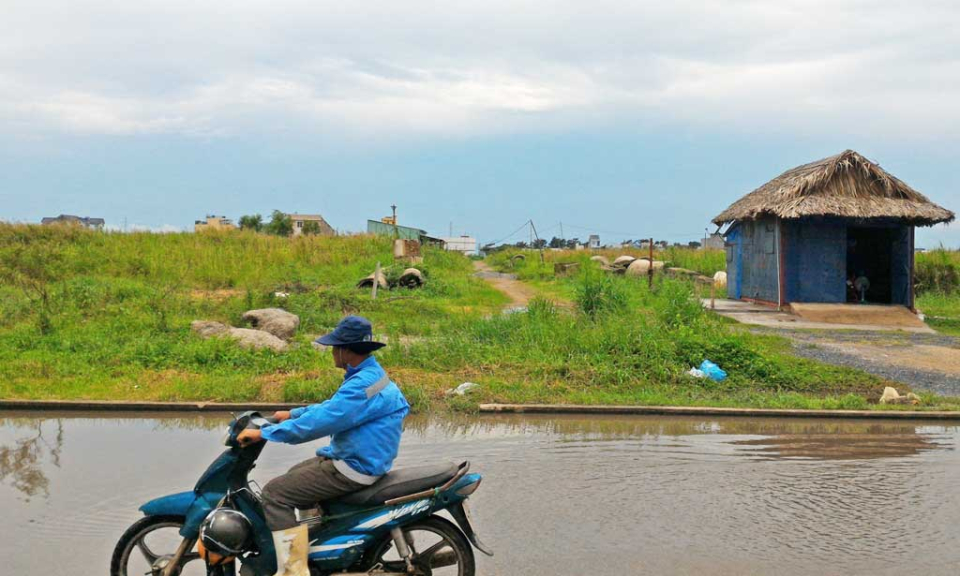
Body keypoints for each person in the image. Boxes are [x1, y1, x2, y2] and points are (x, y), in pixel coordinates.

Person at [237, 315, 410, 576]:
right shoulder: (370, 375)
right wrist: (294, 413)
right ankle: (315, 540)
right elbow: (334, 408)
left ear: (345, 350)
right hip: (361, 458)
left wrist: (266, 433)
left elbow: (321, 422)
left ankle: (294, 570)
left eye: (334, 347)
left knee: (275, 493)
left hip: (354, 466)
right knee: (294, 475)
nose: (331, 353)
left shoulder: (362, 384)